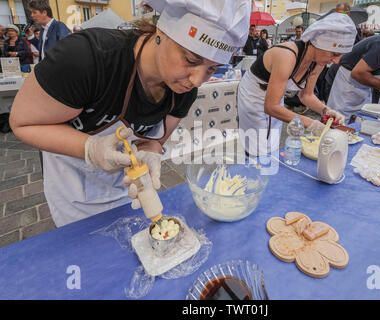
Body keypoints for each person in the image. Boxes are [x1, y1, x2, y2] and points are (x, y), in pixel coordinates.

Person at [9, 0, 251, 227]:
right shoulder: (88, 57)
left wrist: (152, 154)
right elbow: (23, 123)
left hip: (125, 189)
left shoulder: (184, 88)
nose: (197, 80)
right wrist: (91, 148)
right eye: (190, 60)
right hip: (74, 190)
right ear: (161, 33)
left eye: (212, 69)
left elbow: (154, 142)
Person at [237, 13, 356, 157]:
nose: (336, 61)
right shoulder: (286, 54)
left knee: (272, 139)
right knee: (258, 144)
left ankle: (267, 164)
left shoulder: (318, 61)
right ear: (320, 43)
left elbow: (307, 95)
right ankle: (253, 166)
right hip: (253, 94)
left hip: (274, 94)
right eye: (334, 54)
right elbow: (270, 107)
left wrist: (326, 111)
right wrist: (312, 124)